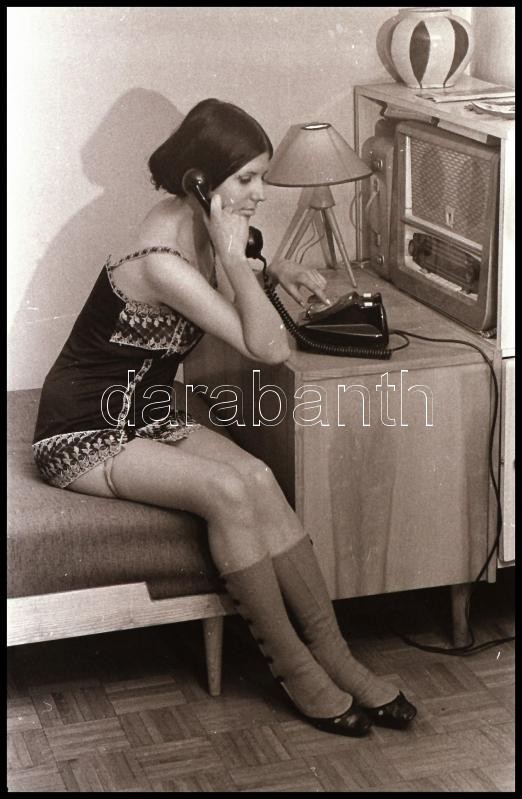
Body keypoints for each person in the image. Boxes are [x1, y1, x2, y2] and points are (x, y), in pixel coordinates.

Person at [33, 98, 416, 736]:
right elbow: (269, 348)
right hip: (83, 429)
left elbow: (236, 273)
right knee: (227, 490)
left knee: (259, 478)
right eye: (247, 179)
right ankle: (295, 669)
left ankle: (339, 659)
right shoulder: (161, 259)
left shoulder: (201, 224)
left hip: (147, 413)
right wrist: (239, 265)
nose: (260, 193)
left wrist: (274, 267)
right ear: (200, 183)